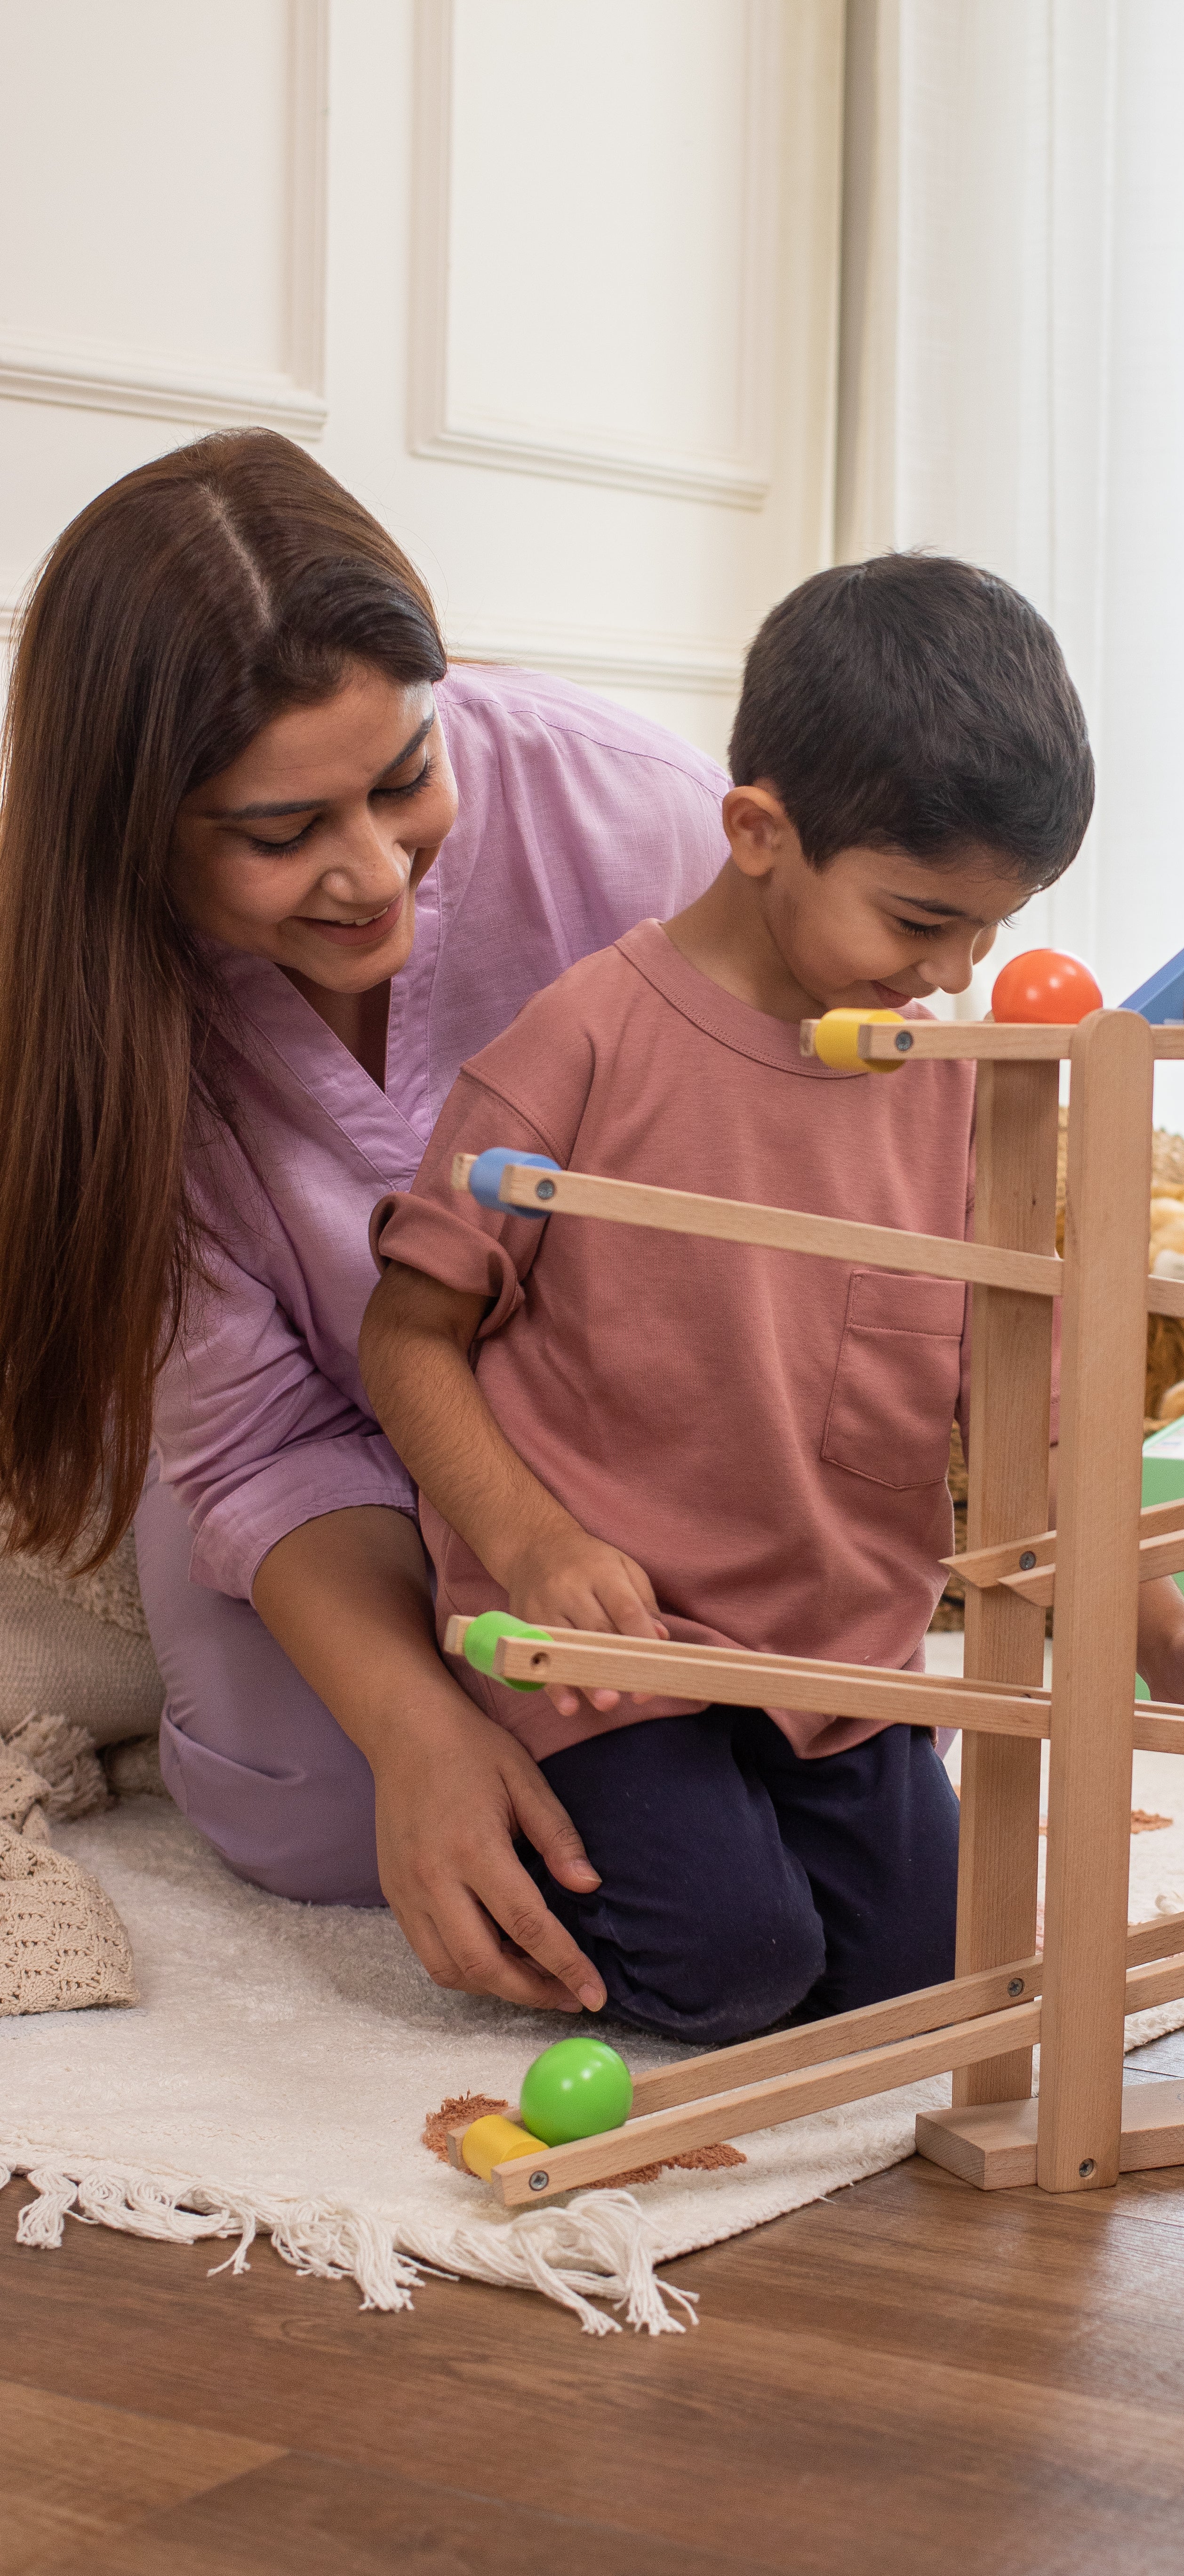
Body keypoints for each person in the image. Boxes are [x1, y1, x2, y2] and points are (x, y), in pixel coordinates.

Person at [361, 555, 1184, 2044]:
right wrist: (532, 1544)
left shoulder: (955, 1092)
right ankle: (641, 1836)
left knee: (923, 1979)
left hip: (832, 1657)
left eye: (993, 928)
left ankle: (757, 1835)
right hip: (616, 1655)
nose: (955, 969)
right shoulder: (579, 1047)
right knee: (737, 1972)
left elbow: (1034, 1431)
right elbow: (406, 1342)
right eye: (920, 919)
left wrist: (1168, 1641)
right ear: (758, 832)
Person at [0, 427, 728, 2016]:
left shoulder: (647, 823)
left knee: (737, 1771)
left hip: (627, 1434)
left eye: (407, 777)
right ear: (135, 827)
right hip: (316, 1452)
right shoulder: (82, 1003)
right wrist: (414, 1727)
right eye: (281, 836)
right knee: (326, 1816)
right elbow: (250, 1437)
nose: (372, 873)